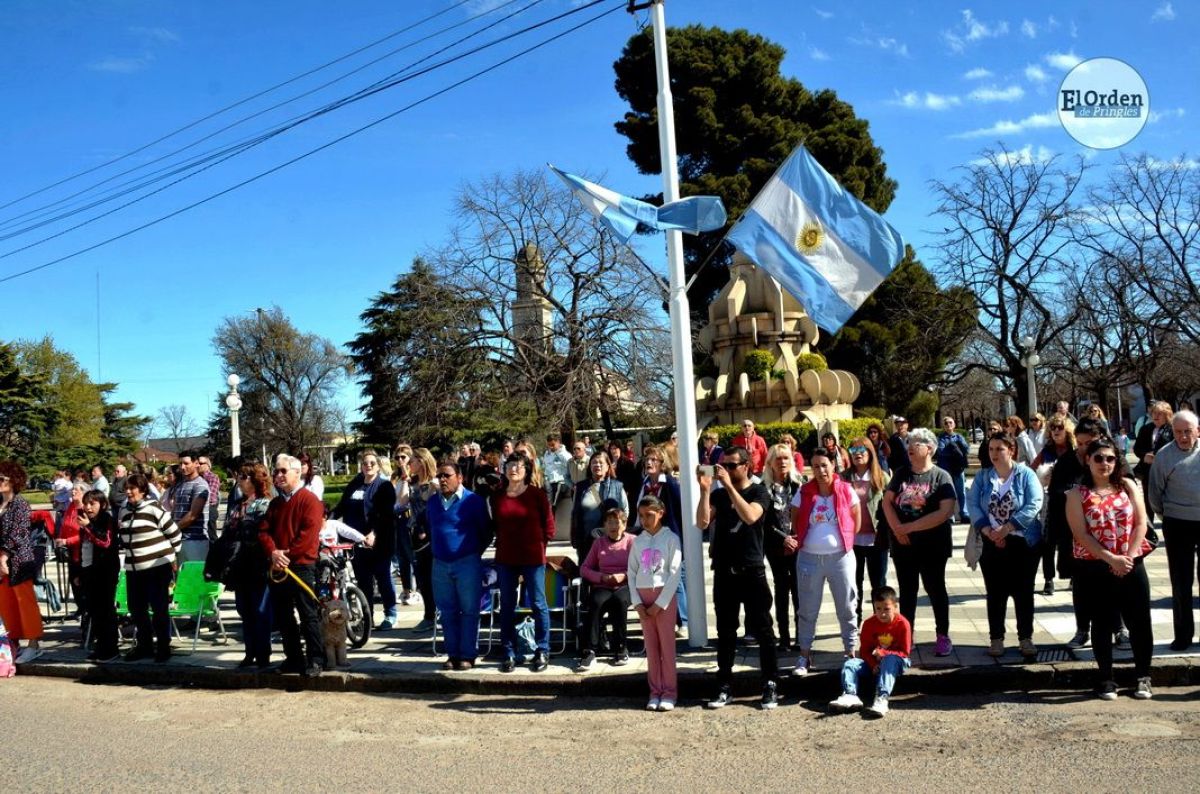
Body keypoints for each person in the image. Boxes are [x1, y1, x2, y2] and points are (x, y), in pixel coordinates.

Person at [1066, 437, 1154, 700]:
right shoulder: (1076, 494)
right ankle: (1106, 678)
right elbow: (1081, 534)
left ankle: (1143, 677)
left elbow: (1141, 523)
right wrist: (1110, 559)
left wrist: (1126, 557)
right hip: (1095, 566)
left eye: (1110, 458)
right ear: (1088, 460)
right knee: (1102, 623)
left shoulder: (1127, 486)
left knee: (1140, 621)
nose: (1105, 463)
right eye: (1099, 458)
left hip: (1130, 563)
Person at [696, 446, 780, 710]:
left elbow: (751, 516)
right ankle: (724, 685)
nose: (727, 470)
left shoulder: (759, 491)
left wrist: (728, 487)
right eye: (724, 465)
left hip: (751, 570)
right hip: (724, 571)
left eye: (732, 466)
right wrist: (705, 490)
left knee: (764, 630)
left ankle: (770, 683)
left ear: (746, 466)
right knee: (726, 631)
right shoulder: (719, 495)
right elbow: (702, 523)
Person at [967, 433, 1045, 660]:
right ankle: (996, 638)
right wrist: (987, 529)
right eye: (991, 449)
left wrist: (1008, 527)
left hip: (1022, 542)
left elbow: (1034, 503)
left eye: (999, 449)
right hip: (990, 541)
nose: (994, 454)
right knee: (995, 592)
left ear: (1011, 450)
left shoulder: (1025, 474)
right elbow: (972, 503)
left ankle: (1025, 638)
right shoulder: (983, 477)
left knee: (1023, 592)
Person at [881, 427, 957, 657]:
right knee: (908, 590)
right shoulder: (902, 473)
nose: (910, 447)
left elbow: (944, 512)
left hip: (933, 545)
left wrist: (909, 527)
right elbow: (887, 502)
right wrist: (897, 529)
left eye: (917, 443)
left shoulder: (941, 476)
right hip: (904, 545)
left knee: (935, 589)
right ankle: (907, 634)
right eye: (909, 443)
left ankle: (942, 635)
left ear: (930, 448)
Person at [790, 448, 861, 677]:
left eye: (825, 465)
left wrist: (843, 541)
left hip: (840, 557)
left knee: (847, 606)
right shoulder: (804, 492)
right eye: (816, 466)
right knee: (808, 609)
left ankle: (851, 652)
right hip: (809, 558)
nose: (821, 471)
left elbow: (855, 521)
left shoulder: (846, 490)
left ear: (834, 465)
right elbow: (795, 519)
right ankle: (804, 654)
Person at [261, 454, 326, 676]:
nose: (278, 475)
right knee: (283, 615)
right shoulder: (276, 503)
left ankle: (316, 659)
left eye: (282, 471)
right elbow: (264, 531)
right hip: (278, 566)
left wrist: (284, 556)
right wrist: (273, 553)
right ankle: (293, 658)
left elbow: (308, 536)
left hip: (301, 566)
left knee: (308, 614)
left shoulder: (310, 501)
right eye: (276, 471)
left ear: (297, 473)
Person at [426, 461, 492, 671]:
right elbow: (430, 527)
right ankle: (452, 654)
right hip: (440, 564)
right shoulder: (433, 502)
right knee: (447, 611)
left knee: (470, 610)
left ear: (460, 477)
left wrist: (471, 553)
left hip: (467, 562)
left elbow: (486, 532)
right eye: (439, 476)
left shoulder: (474, 501)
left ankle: (468, 655)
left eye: (447, 475)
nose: (442, 480)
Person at [492, 455, 555, 673]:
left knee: (538, 603)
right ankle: (508, 651)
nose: (514, 469)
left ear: (527, 470)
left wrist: (539, 548)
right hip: (506, 558)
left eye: (519, 466)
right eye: (510, 465)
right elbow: (495, 526)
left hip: (533, 558)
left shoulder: (537, 495)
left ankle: (542, 649)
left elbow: (549, 528)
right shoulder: (497, 496)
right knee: (507, 605)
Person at [1147, 410, 1200, 651]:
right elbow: (1154, 494)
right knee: (1181, 582)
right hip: (1177, 522)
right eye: (1178, 432)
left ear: (1197, 431)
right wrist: (1166, 516)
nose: (1183, 436)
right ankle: (1183, 635)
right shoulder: (1164, 456)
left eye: (1188, 431)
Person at [119, 473, 182, 663]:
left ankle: (163, 646)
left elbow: (174, 533)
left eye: (133, 488)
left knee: (159, 607)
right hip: (134, 567)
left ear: (143, 490)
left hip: (156, 566)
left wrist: (172, 556)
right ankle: (144, 645)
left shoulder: (153, 507)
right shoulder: (124, 510)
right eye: (126, 488)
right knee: (136, 608)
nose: (129, 492)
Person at [331, 450, 398, 630]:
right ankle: (367, 617)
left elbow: (386, 514)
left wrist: (374, 533)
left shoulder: (384, 486)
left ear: (378, 466)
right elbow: (342, 506)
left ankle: (390, 613)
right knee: (363, 581)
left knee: (383, 578)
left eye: (371, 463)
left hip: (378, 541)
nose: (368, 466)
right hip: (356, 541)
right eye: (364, 463)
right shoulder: (355, 484)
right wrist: (327, 519)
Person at [628, 495, 682, 711]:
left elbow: (674, 572)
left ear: (660, 513)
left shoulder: (671, 539)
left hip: (663, 598)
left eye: (649, 515)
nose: (644, 520)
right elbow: (631, 572)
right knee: (651, 648)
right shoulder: (638, 541)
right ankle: (654, 691)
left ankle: (669, 692)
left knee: (666, 647)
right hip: (643, 596)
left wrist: (660, 603)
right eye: (641, 516)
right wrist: (637, 602)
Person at [827, 586, 911, 719]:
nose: (882, 613)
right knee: (851, 663)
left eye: (886, 609)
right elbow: (864, 651)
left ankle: (882, 698)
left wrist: (884, 654)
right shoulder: (868, 624)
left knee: (890, 659)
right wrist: (873, 664)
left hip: (895, 662)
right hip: (873, 663)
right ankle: (850, 694)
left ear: (895, 607)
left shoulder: (903, 624)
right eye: (878, 609)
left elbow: (904, 652)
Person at [634, 444, 686, 635]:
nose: (649, 463)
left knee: (675, 578)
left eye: (653, 460)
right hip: (650, 537)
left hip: (669, 536)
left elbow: (679, 510)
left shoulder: (670, 483)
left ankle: (684, 621)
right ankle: (664, 616)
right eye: (647, 460)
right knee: (656, 576)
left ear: (662, 463)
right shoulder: (645, 483)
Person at [226, 464, 273, 669]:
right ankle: (249, 652)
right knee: (244, 611)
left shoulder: (266, 504)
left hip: (259, 565)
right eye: (240, 476)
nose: (240, 480)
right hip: (239, 566)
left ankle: (263, 654)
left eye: (245, 476)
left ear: (256, 480)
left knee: (260, 611)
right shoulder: (237, 504)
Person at [576, 506, 634, 672]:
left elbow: (641, 568)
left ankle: (621, 648)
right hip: (603, 583)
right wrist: (601, 577)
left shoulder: (633, 541)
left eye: (617, 522)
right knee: (595, 602)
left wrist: (623, 576)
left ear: (624, 524)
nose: (613, 526)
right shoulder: (598, 543)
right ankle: (590, 650)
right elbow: (585, 568)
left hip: (625, 584)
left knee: (620, 601)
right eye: (609, 523)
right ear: (604, 525)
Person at [0, 461, 46, 664]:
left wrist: (4, 555)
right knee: (7, 604)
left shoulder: (20, 503)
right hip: (2, 561)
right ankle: (14, 643)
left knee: (25, 603)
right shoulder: (1, 503)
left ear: (13, 481)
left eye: (2, 479)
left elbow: (18, 533)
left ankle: (34, 645)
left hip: (19, 560)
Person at [844, 436, 890, 623]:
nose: (858, 454)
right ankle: (855, 621)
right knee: (853, 584)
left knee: (878, 584)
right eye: (853, 451)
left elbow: (890, 508)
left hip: (876, 540)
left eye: (862, 450)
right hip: (851, 540)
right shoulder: (844, 478)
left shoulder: (882, 477)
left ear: (870, 452)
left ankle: (880, 620)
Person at [762, 444, 801, 650]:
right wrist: (782, 538)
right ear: (770, 463)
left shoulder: (798, 485)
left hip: (798, 544)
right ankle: (784, 637)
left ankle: (800, 636)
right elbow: (764, 522)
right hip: (775, 546)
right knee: (781, 588)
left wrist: (795, 537)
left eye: (786, 458)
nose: (782, 462)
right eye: (778, 459)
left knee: (798, 590)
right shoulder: (763, 488)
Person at [77, 489, 120, 662]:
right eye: (86, 503)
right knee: (94, 611)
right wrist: (79, 571)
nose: (88, 507)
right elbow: (84, 549)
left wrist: (88, 526)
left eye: (92, 503)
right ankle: (100, 646)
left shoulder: (106, 519)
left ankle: (111, 648)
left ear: (102, 505)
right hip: (89, 570)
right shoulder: (87, 521)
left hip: (105, 571)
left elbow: (105, 542)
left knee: (106, 610)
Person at [570, 451, 629, 566]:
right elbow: (574, 513)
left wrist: (620, 533)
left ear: (608, 466)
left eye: (601, 463)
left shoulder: (617, 486)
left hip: (611, 539)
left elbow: (625, 511)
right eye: (594, 463)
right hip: (586, 540)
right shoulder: (581, 487)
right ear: (590, 466)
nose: (597, 465)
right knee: (587, 571)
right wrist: (574, 536)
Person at [407, 448, 440, 631]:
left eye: (412, 460)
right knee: (423, 578)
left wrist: (425, 529)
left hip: (431, 534)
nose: (409, 464)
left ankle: (435, 614)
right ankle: (429, 615)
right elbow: (404, 502)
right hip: (416, 534)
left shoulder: (433, 483)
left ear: (422, 461)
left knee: (433, 577)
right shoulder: (413, 482)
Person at [1134, 400, 1174, 528]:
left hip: (1167, 471)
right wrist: (1144, 455)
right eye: (1153, 413)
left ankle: (1169, 523)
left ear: (1167, 414)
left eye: (1159, 414)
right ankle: (1149, 529)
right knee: (1148, 499)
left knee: (1167, 499)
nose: (1155, 416)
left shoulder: (1173, 429)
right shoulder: (1146, 429)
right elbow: (1137, 448)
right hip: (1148, 470)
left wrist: (1160, 457)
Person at [171, 452, 210, 565]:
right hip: (179, 539)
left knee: (195, 579)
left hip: (195, 540)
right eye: (180, 464)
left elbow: (193, 514)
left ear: (196, 463)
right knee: (180, 579)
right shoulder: (180, 484)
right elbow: (175, 510)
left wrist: (173, 528)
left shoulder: (200, 485)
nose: (182, 467)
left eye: (186, 463)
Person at [391, 444, 418, 607]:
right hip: (396, 517)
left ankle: (416, 590)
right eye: (397, 457)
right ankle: (406, 589)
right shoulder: (394, 477)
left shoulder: (412, 476)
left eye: (403, 457)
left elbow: (404, 498)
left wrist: (406, 473)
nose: (400, 460)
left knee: (411, 556)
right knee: (401, 557)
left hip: (409, 518)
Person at [935, 417, 971, 523]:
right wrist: (955, 449)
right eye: (946, 423)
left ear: (954, 425)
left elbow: (966, 449)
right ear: (943, 426)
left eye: (950, 422)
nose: (948, 425)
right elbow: (941, 451)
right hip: (946, 470)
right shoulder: (941, 438)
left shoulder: (959, 437)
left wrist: (955, 447)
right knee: (948, 493)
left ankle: (964, 514)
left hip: (958, 469)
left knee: (961, 492)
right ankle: (950, 516)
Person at [542, 434, 572, 507]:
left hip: (561, 483)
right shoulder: (547, 454)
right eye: (549, 445)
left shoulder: (565, 454)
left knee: (555, 506)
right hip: (549, 483)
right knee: (548, 506)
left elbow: (570, 466)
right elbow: (546, 467)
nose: (550, 447)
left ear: (558, 442)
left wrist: (559, 453)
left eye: (552, 444)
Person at [197, 456, 222, 542]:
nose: (198, 465)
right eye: (197, 463)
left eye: (200, 463)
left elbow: (211, 496)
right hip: (197, 510)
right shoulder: (196, 478)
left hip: (209, 510)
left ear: (208, 465)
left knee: (211, 537)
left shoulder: (212, 477)